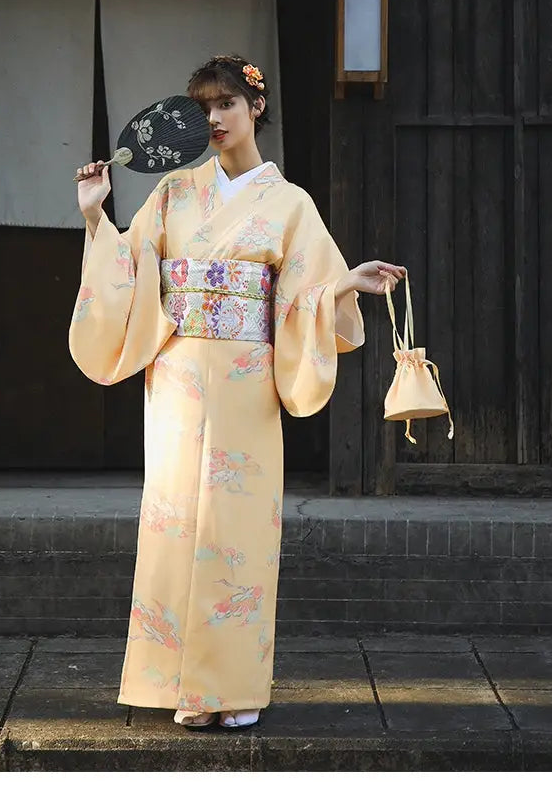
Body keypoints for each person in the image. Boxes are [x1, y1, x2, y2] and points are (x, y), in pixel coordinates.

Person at [69, 54, 405, 730]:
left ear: (256, 107)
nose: (214, 118)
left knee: (237, 531)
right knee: (173, 523)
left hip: (246, 379)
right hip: (176, 375)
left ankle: (233, 683)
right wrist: (95, 218)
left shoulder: (288, 203)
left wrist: (347, 283)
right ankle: (182, 686)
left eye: (225, 103)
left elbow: (305, 291)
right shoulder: (172, 193)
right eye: (203, 107)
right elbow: (131, 272)